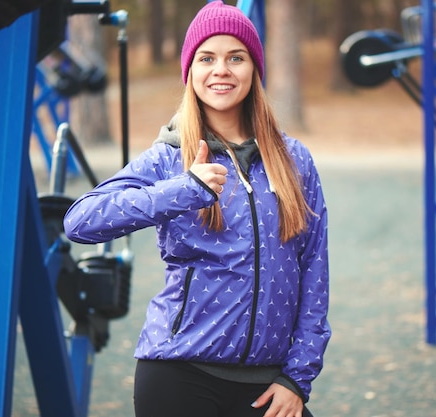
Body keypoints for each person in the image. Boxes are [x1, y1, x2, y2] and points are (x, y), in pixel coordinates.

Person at [63, 1, 331, 416]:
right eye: (207, 58)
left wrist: (298, 376)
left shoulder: (294, 160)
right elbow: (80, 221)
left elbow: (314, 268)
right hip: (179, 373)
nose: (221, 70)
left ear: (254, 70)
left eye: (235, 58)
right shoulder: (169, 158)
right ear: (191, 72)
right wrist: (183, 190)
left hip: (269, 382)